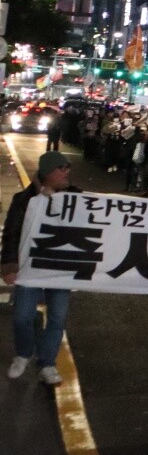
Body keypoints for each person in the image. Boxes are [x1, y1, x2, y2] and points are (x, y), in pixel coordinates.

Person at [3, 152, 80, 386]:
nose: (67, 172)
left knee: (57, 319)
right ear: (47, 173)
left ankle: (47, 363)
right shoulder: (23, 200)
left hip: (60, 270)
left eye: (68, 168)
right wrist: (9, 266)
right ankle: (23, 354)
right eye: (61, 169)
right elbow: (11, 235)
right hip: (29, 269)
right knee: (22, 317)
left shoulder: (76, 198)